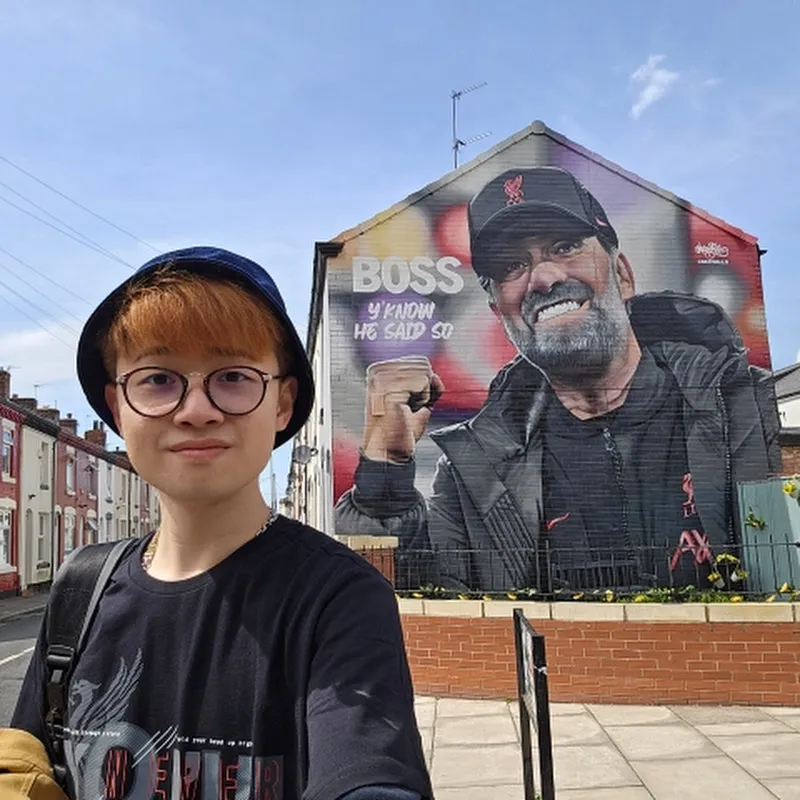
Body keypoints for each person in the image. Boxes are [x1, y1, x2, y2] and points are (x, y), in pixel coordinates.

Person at [12, 247, 432, 800]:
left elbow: (369, 775)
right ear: (117, 408)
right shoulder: (79, 591)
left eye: (233, 376)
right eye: (158, 379)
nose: (196, 410)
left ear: (282, 403)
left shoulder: (339, 598)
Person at [335, 167, 781, 592]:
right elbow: (414, 604)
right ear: (499, 314)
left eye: (566, 246)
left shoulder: (745, 408)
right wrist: (384, 475)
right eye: (512, 267)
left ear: (622, 275)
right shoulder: (472, 472)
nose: (544, 278)